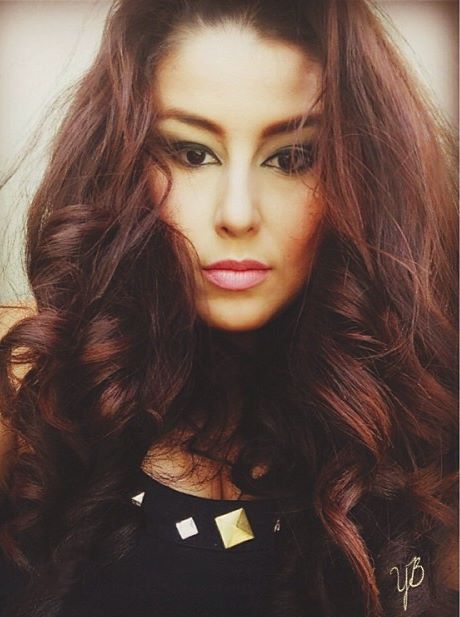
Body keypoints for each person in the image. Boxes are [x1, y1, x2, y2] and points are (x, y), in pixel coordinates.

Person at [0, 0, 457, 615]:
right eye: (192, 154)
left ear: (364, 182)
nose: (237, 213)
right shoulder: (31, 399)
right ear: (121, 166)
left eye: (292, 158)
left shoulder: (429, 416)